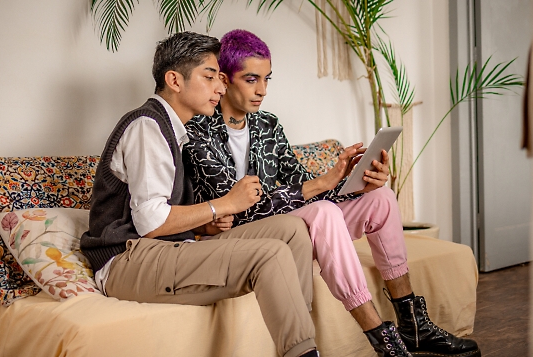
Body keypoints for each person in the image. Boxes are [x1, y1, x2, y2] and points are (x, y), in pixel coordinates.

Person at [183, 29, 481, 357]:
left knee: (380, 199)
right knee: (322, 212)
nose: (263, 90)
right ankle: (381, 337)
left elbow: (299, 182)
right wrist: (320, 185)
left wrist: (351, 183)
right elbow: (234, 210)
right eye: (252, 80)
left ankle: (413, 325)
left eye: (267, 79)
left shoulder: (267, 125)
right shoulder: (197, 130)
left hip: (289, 227)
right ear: (223, 80)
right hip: (237, 237)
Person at [80, 32, 320, 357]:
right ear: (174, 80)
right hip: (127, 260)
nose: (220, 88)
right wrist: (224, 204)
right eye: (210, 77)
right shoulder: (147, 127)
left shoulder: (175, 131)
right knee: (270, 253)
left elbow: (162, 214)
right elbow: (150, 222)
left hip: (163, 248)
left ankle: (300, 338)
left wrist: (202, 227)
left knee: (292, 231)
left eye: (220, 79)